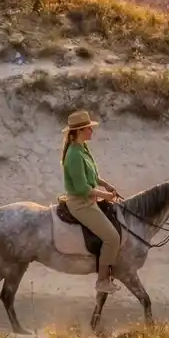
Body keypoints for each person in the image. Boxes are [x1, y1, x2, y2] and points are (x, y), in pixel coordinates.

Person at [61, 110, 121, 294]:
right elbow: (82, 188)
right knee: (112, 238)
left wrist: (106, 185)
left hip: (90, 199)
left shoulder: (83, 149)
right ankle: (102, 280)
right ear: (79, 131)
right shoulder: (74, 154)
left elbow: (92, 177)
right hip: (81, 204)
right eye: (88, 128)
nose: (92, 131)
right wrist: (106, 196)